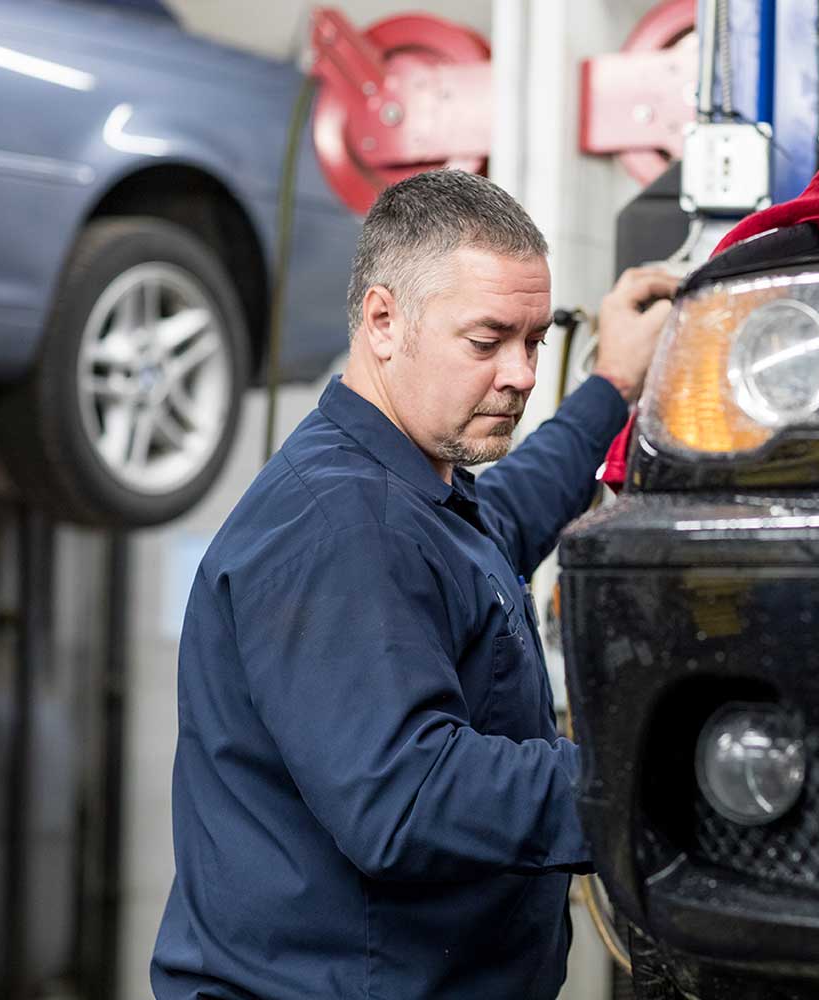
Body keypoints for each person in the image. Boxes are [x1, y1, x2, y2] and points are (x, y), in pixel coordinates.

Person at [151, 168, 678, 1000]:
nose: (522, 373)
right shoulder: (339, 525)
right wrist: (659, 780)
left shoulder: (407, 488)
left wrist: (613, 387)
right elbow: (407, 794)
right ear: (384, 321)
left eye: (535, 340)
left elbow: (509, 511)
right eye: (487, 341)